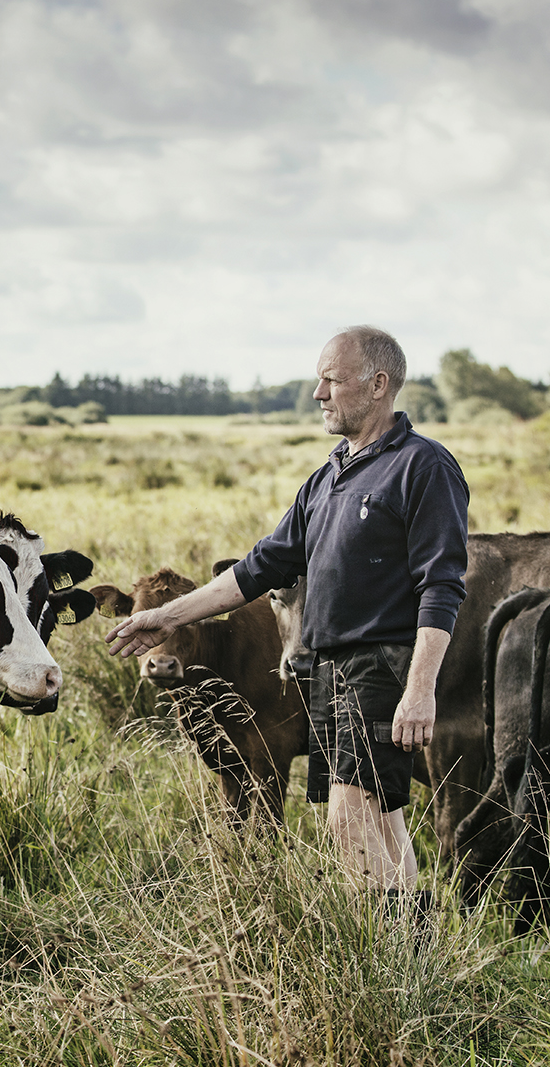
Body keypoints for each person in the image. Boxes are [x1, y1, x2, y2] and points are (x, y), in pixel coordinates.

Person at [105, 326, 468, 911]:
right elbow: (257, 569)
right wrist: (165, 617)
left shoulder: (422, 466)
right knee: (379, 817)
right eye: (318, 379)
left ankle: (382, 959)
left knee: (349, 821)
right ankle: (411, 957)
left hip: (380, 663)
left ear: (378, 385)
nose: (317, 393)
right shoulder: (328, 478)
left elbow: (442, 584)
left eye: (331, 378)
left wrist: (420, 687)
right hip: (327, 668)